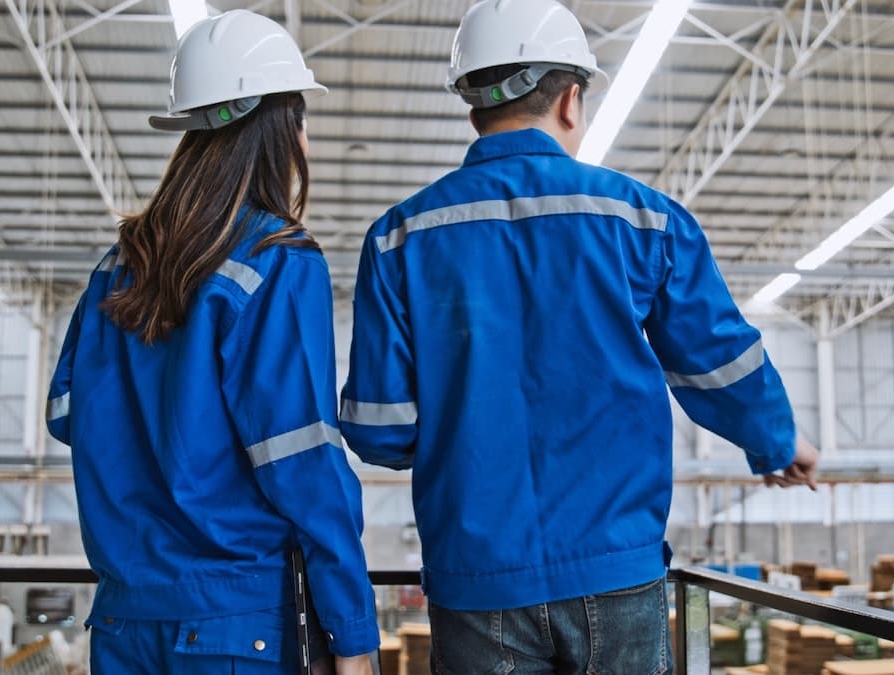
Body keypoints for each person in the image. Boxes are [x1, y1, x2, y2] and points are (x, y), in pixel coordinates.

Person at [339, 1, 820, 672]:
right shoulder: (643, 220)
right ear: (571, 100)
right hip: (615, 570)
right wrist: (776, 439)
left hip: (477, 577)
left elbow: (378, 428)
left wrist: (461, 435)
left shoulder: (399, 238)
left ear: (472, 107)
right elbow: (716, 354)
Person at [46, 10, 377, 673]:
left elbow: (66, 415)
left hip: (123, 618)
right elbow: (301, 458)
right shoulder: (278, 260)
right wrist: (352, 630)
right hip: (233, 622)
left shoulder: (121, 262)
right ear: (279, 127)